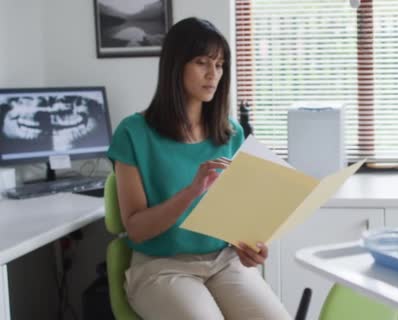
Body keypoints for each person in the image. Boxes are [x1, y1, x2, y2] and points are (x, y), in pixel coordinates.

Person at [107, 17, 291, 320]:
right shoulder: (133, 133)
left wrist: (249, 246)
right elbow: (136, 230)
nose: (213, 74)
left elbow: (236, 215)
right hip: (161, 266)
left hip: (224, 262)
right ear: (175, 66)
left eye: (219, 65)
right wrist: (193, 190)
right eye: (202, 62)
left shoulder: (231, 132)